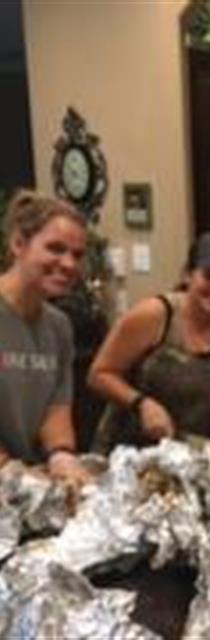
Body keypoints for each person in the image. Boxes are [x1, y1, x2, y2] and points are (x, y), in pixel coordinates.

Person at [89, 232, 210, 452]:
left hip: (187, 450)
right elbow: (98, 375)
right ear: (188, 275)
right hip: (129, 451)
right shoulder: (155, 315)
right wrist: (141, 403)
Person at [0, 189, 91, 489]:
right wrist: (12, 472)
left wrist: (61, 454)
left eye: (77, 254)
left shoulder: (59, 327)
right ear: (18, 244)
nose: (68, 264)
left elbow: (56, 407)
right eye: (55, 248)